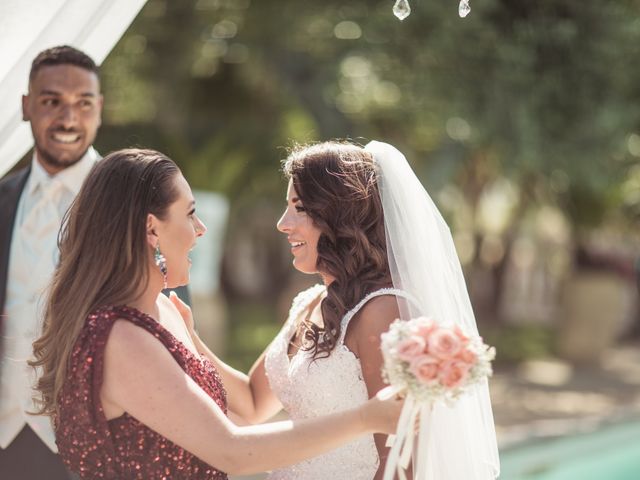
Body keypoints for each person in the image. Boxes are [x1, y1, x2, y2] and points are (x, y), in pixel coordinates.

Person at [29, 148, 402, 480]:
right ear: (151, 229)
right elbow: (231, 448)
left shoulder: (161, 310)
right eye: (191, 214)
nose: (201, 228)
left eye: (299, 207)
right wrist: (365, 417)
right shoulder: (120, 337)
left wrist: (192, 341)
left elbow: (237, 413)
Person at [172, 141, 500, 479]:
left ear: (338, 214)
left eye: (299, 208)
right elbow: (254, 403)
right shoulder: (309, 303)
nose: (283, 223)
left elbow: (399, 461)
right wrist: (191, 339)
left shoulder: (381, 312)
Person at [0, 45, 103, 479]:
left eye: (83, 104)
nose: (67, 119)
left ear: (100, 109)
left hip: (90, 442)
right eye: (51, 102)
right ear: (26, 107)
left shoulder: (133, 202)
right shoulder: (2, 197)